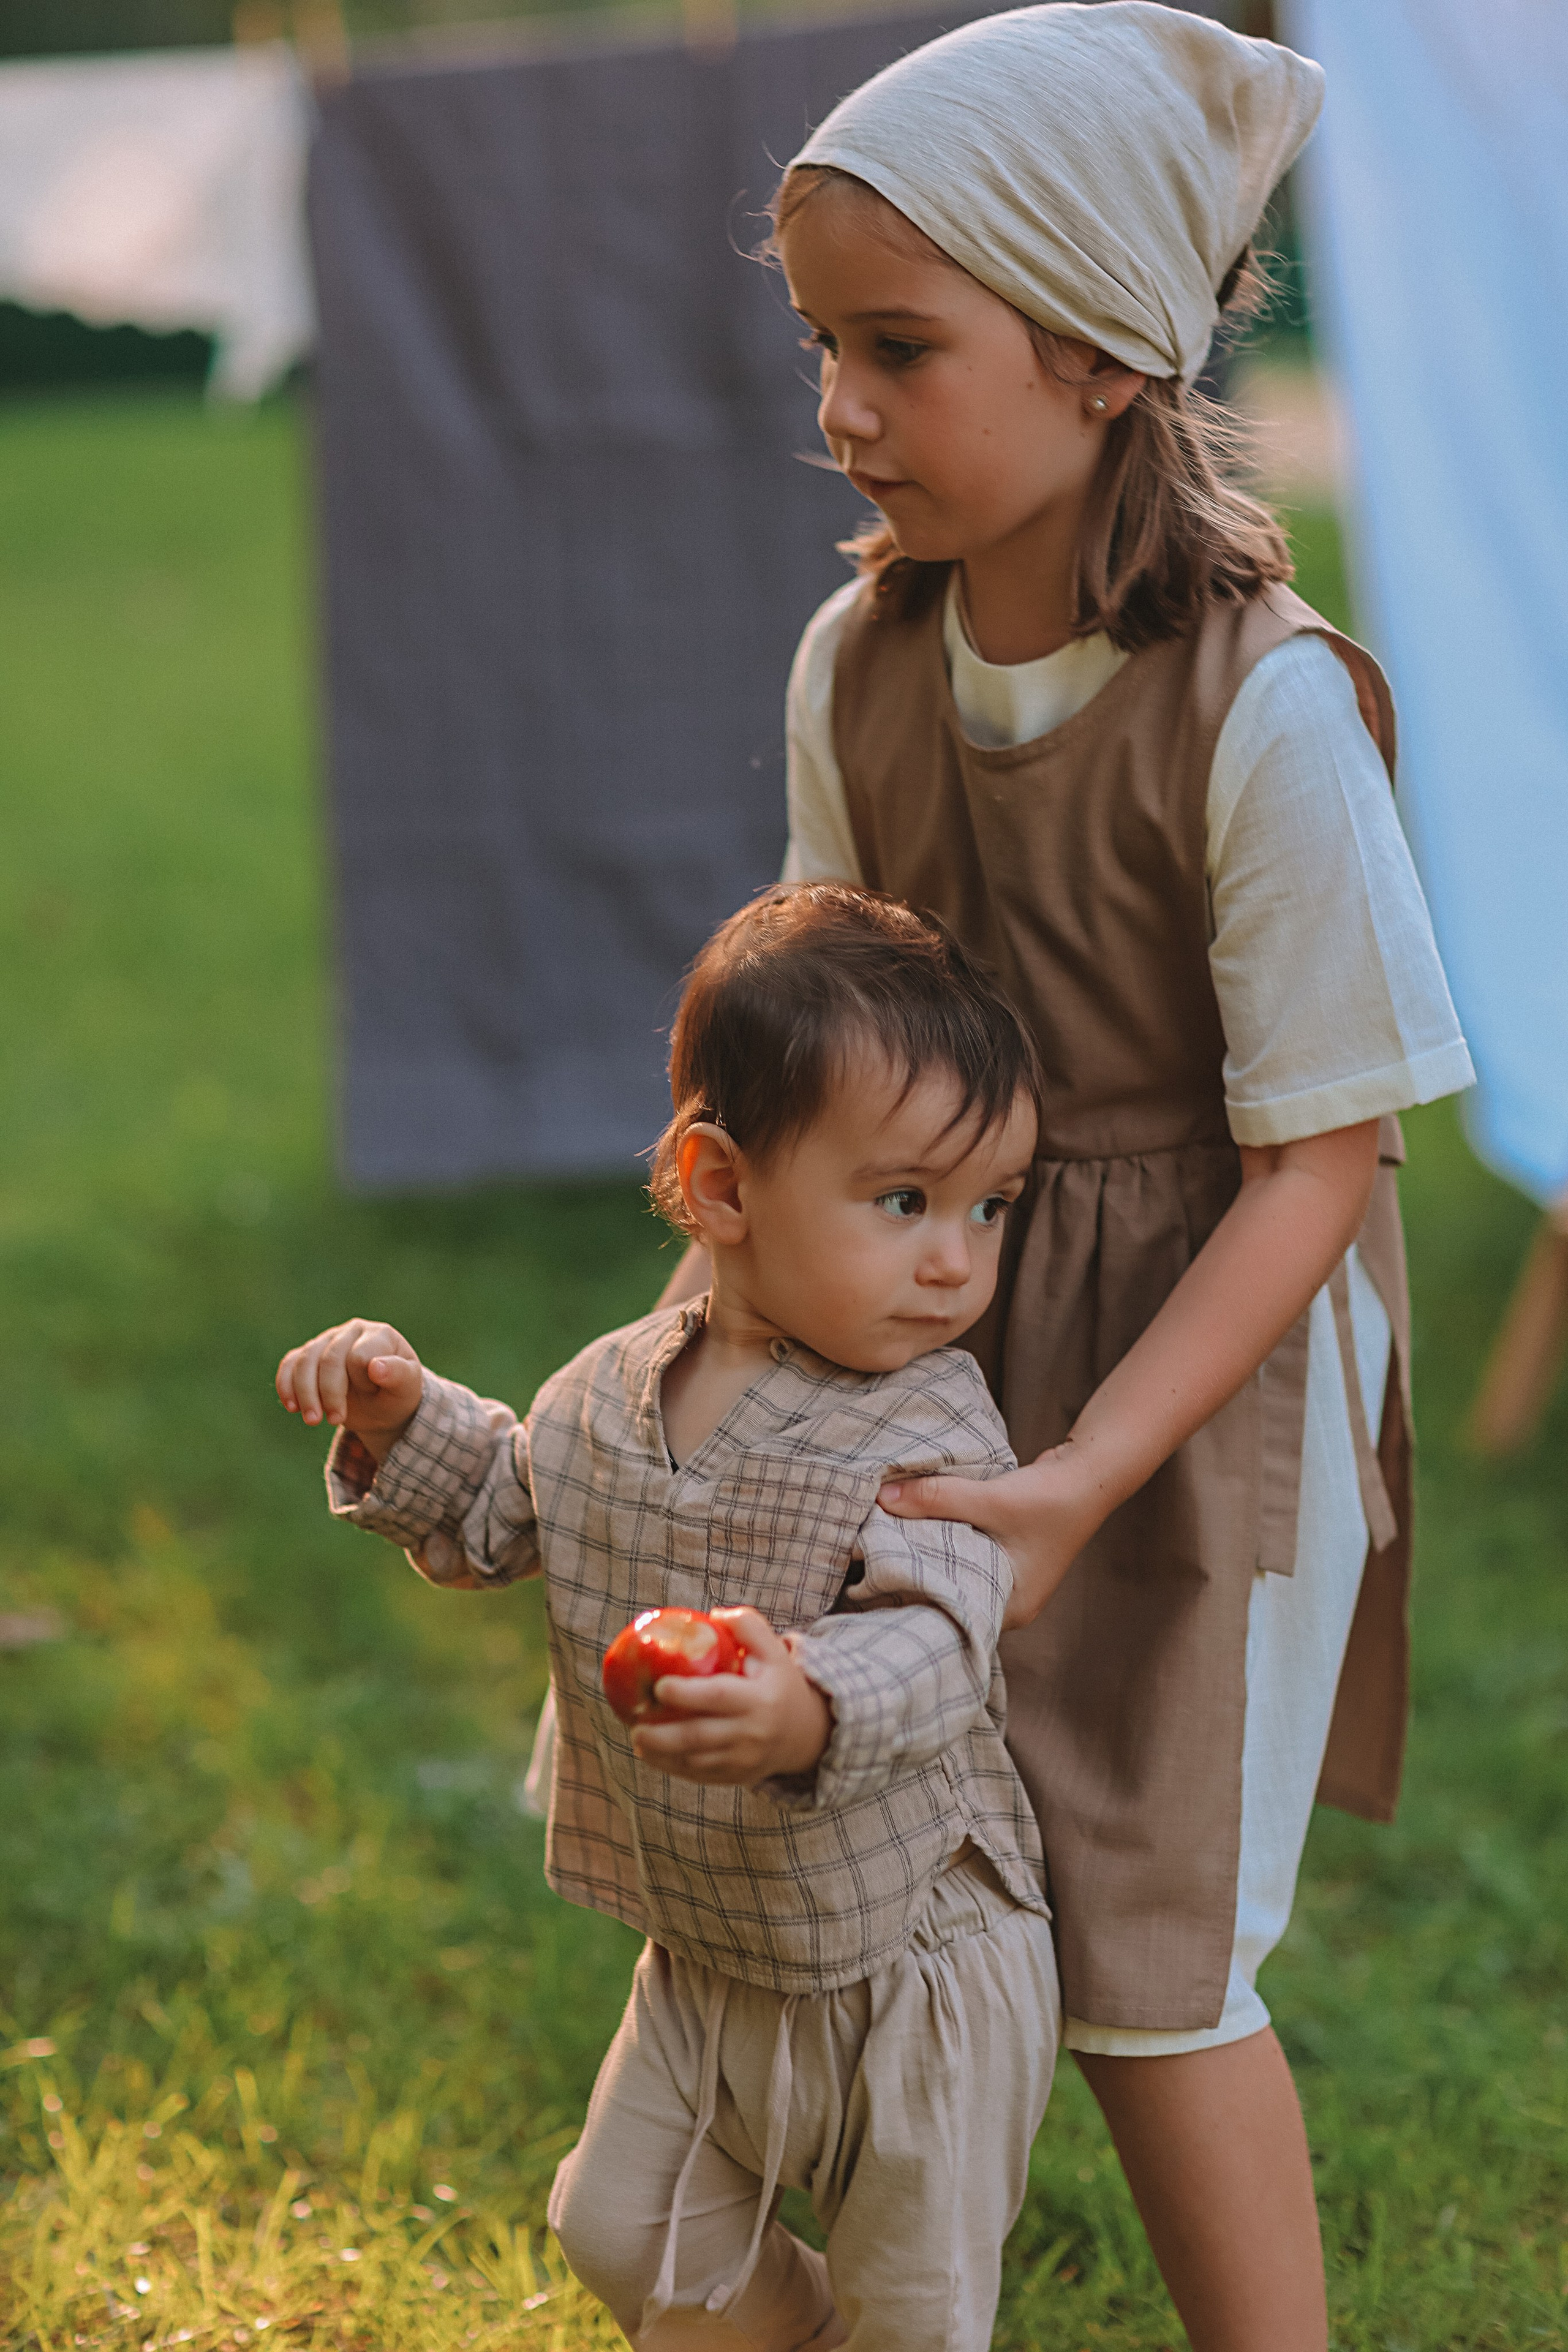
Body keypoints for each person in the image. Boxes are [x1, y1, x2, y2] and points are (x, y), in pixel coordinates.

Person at [650, 9, 1475, 2347]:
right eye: (823, 345)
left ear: (1110, 352)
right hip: (928, 1331)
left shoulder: (1263, 705)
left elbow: (1323, 1155)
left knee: (1147, 1937)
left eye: (900, 349)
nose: (840, 408)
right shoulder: (858, 665)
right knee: (890, 1855)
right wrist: (719, 1338)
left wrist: (1096, 1468)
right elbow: (822, 1048)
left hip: (1210, 1371)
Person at [276, 884, 1060, 2352]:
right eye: (905, 1201)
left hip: (914, 1965)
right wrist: (402, 1417)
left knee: (918, 2311)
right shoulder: (612, 1389)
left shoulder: (931, 1421)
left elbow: (943, 1629)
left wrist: (805, 1704)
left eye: (988, 1207)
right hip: (711, 1944)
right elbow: (511, 1511)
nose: (955, 1257)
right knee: (620, 2230)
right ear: (719, 1187)